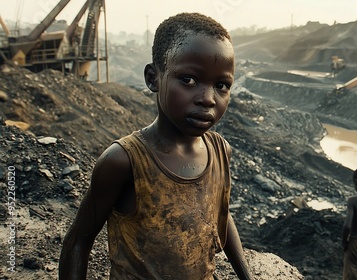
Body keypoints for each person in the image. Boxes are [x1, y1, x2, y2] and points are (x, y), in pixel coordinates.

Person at [59, 12, 253, 280]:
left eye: (221, 85)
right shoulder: (124, 161)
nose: (208, 99)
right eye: (189, 80)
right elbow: (78, 242)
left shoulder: (220, 151)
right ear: (154, 78)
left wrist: (246, 275)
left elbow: (220, 212)